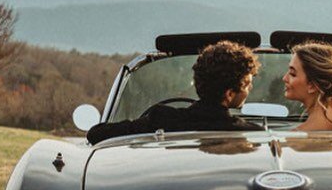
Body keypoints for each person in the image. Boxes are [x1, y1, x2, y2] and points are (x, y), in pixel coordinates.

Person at [87, 40, 262, 144]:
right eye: (247, 85)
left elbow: (96, 134)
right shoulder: (250, 133)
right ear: (229, 94)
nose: (249, 89)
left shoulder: (162, 119)